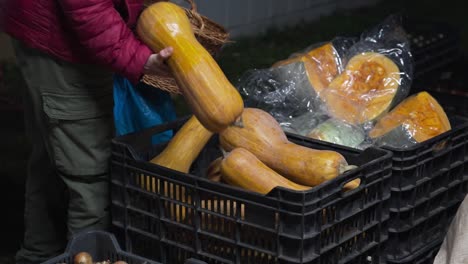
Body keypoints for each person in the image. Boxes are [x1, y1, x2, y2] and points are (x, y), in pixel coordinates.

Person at [1, 0, 173, 263]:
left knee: (52, 156)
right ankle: (84, 255)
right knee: (89, 173)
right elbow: (87, 6)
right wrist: (136, 57)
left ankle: (38, 255)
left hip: (47, 31)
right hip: (64, 41)